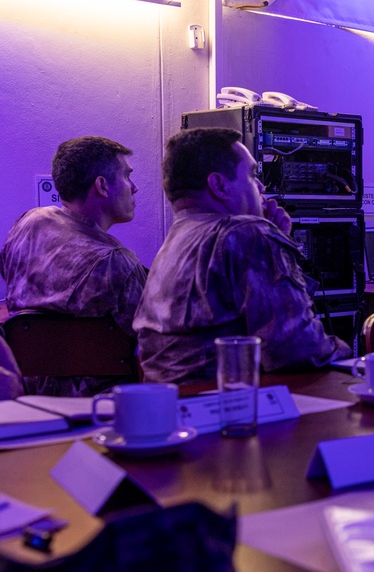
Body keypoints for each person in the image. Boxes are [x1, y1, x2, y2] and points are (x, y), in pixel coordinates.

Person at [134, 128, 351, 384]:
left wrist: (277, 243)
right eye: (252, 175)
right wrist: (351, 354)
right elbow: (299, 350)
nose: (261, 186)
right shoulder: (247, 233)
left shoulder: (174, 243)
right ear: (219, 185)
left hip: (173, 410)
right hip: (227, 409)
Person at [0, 137, 146, 396]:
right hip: (99, 408)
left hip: (29, 399)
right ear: (102, 185)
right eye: (126, 176)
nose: (134, 188)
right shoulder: (116, 262)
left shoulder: (27, 224)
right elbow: (152, 343)